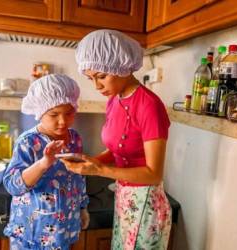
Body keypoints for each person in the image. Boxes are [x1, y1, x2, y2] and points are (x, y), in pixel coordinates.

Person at [61, 29, 172, 250]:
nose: (97, 86)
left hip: (146, 203)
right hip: (125, 196)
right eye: (91, 78)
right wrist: (89, 162)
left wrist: (100, 170)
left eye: (101, 76)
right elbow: (117, 148)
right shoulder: (114, 100)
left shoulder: (149, 105)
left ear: (121, 66)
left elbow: (153, 173)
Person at [3, 74, 90, 250]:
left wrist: (82, 207)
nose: (63, 121)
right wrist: (43, 163)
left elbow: (79, 177)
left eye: (69, 112)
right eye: (54, 114)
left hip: (63, 230)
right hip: (31, 233)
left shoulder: (75, 139)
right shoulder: (27, 142)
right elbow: (12, 185)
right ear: (40, 112)